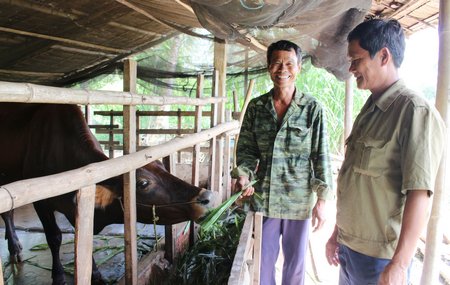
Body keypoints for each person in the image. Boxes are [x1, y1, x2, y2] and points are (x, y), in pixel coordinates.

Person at [325, 19, 446, 285]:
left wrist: (400, 264)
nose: (351, 68)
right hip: (350, 250)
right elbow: (356, 184)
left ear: (383, 56)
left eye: (356, 59)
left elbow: (419, 193)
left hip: (380, 260)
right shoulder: (370, 109)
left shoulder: (414, 112)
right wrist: (337, 234)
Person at [231, 40, 334, 285]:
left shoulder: (312, 109)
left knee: (295, 266)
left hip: (298, 201)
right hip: (263, 198)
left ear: (298, 68)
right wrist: (243, 176)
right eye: (276, 63)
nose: (282, 69)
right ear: (268, 67)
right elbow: (246, 150)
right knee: (262, 264)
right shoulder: (256, 108)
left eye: (289, 63)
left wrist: (323, 199)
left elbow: (321, 155)